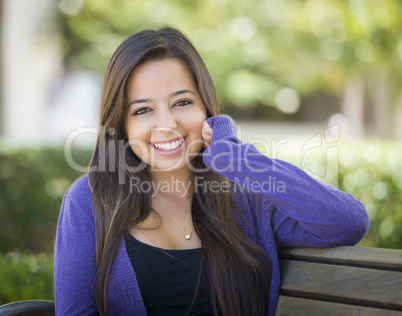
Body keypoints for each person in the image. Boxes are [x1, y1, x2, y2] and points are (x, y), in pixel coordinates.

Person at [54, 26, 369, 316]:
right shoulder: (89, 201)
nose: (166, 124)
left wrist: (234, 157)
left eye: (182, 102)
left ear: (205, 107)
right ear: (122, 124)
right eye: (143, 110)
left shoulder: (246, 197)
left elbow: (347, 222)